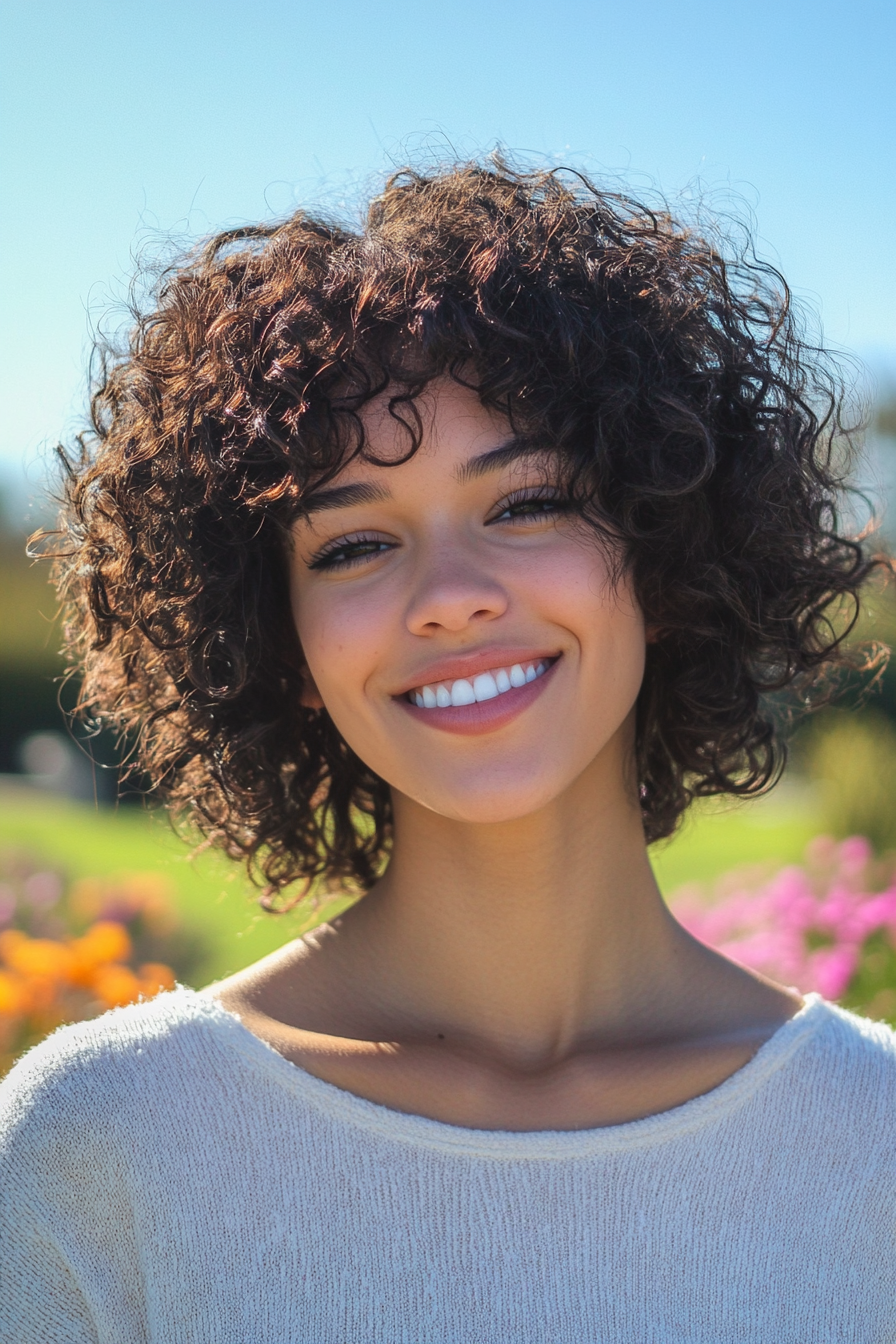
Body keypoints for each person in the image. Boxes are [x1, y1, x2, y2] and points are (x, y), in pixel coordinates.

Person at [2, 160, 894, 1342]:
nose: (449, 598)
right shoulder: (98, 1145)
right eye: (354, 545)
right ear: (286, 650)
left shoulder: (873, 1138)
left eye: (525, 504)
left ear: (669, 556)